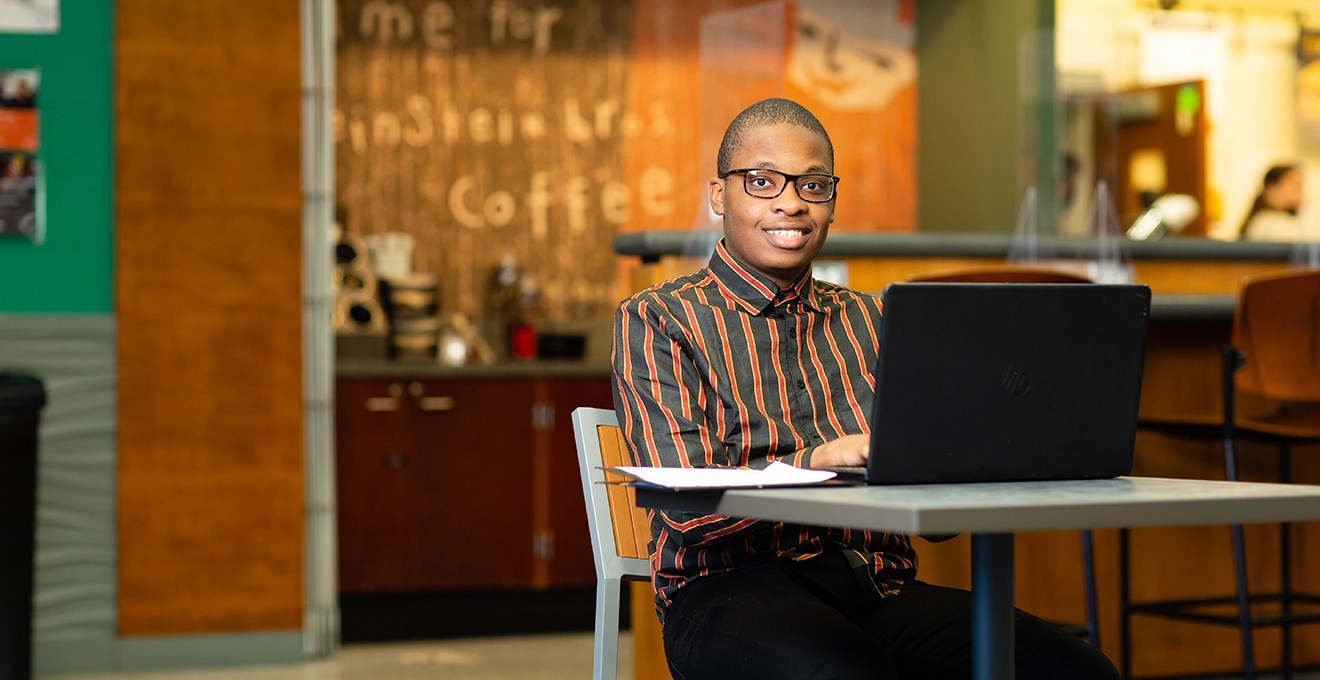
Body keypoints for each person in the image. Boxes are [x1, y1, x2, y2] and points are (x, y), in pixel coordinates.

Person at [612, 97, 1118, 680]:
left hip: (873, 584)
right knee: (849, 672)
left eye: (814, 184)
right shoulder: (659, 319)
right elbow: (687, 513)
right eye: (762, 181)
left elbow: (938, 520)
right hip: (725, 592)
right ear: (720, 196)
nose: (792, 202)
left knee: (1078, 672)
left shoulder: (874, 319)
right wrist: (819, 461)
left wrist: (961, 455)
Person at [1239, 164, 1304, 242]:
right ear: (1270, 187)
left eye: (1300, 186)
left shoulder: (1261, 219)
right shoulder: (1269, 223)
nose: (1298, 192)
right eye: (1293, 184)